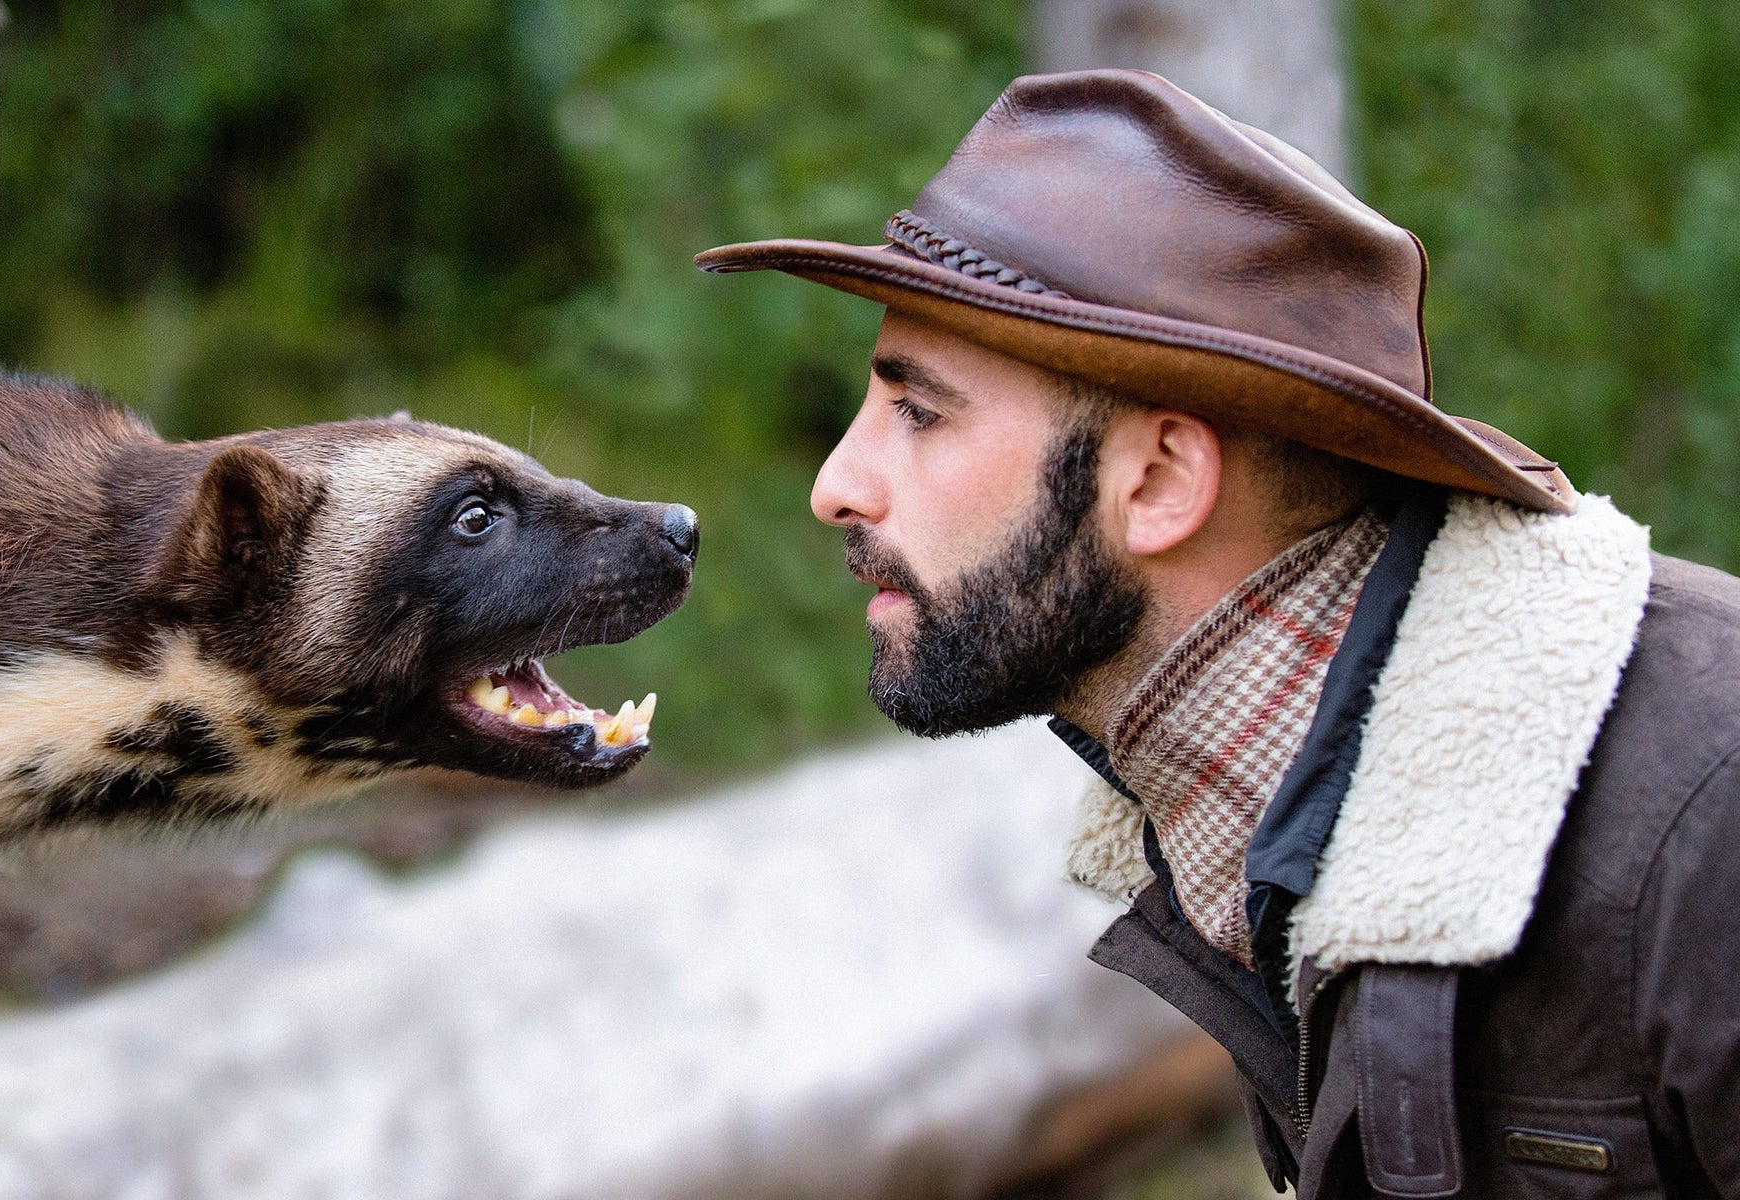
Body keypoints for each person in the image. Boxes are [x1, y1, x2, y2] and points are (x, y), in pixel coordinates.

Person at [697, 69, 1740, 1197]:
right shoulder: (1259, 813)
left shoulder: (1708, 803)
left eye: (917, 411)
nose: (835, 484)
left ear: (1157, 479)